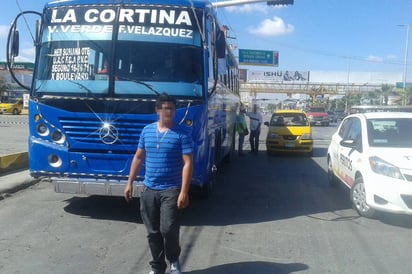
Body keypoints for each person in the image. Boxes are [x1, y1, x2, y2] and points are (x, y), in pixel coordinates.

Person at [124, 93, 193, 274]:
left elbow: (188, 163)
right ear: (157, 109)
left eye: (171, 108)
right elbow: (138, 157)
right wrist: (129, 182)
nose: (168, 112)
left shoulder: (182, 134)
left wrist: (184, 192)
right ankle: (157, 267)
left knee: (168, 229)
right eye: (165, 108)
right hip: (149, 189)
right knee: (152, 231)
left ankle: (174, 260)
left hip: (171, 189)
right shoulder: (147, 131)